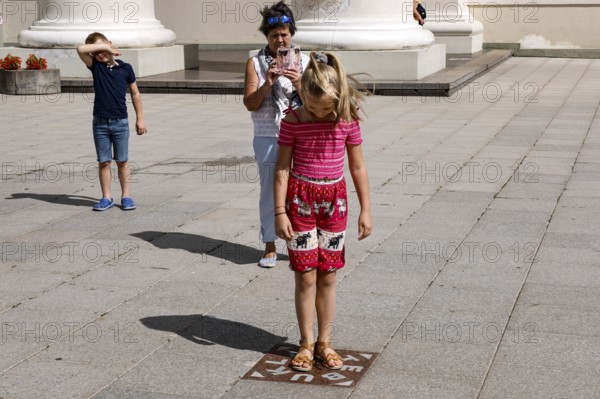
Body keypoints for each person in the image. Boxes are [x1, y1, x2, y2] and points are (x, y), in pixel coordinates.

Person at [274, 51, 373, 371]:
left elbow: (357, 167)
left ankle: (324, 342)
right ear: (302, 92)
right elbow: (281, 169)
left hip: (335, 203)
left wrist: (365, 209)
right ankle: (305, 343)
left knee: (328, 275)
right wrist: (280, 211)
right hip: (300, 202)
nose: (317, 113)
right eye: (312, 106)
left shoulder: (347, 119)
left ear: (338, 98)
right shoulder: (293, 120)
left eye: (324, 108)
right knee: (305, 276)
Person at [243, 1, 309, 268]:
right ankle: (270, 244)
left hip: (301, 134)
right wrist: (267, 83)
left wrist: (298, 82)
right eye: (274, 36)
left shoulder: (305, 61)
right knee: (270, 190)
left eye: (284, 34)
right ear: (266, 37)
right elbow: (249, 103)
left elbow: (317, 102)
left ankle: (300, 243)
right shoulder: (256, 62)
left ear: (291, 33)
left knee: (301, 190)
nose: (279, 40)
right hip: (268, 135)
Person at [76, 32, 147, 211]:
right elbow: (80, 49)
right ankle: (106, 197)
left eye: (103, 48)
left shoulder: (126, 68)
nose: (101, 53)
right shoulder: (95, 67)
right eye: (97, 51)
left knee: (122, 161)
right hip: (100, 123)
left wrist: (140, 118)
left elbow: (135, 93)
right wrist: (104, 48)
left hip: (120, 122)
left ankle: (126, 196)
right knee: (104, 161)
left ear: (110, 43)